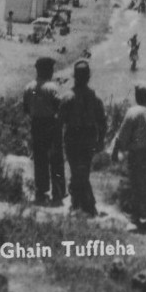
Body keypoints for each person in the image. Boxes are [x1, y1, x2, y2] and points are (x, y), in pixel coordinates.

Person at [111, 83, 146, 232]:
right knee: (144, 185)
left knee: (139, 185)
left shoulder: (134, 112)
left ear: (139, 96)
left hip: (139, 154)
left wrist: (115, 151)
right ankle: (136, 215)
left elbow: (122, 136)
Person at [60, 60, 108, 217]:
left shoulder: (67, 97)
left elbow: (60, 120)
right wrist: (100, 140)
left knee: (76, 170)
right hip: (88, 137)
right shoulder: (95, 97)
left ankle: (81, 204)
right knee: (84, 171)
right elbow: (102, 121)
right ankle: (84, 204)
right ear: (88, 77)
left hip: (73, 136)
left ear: (75, 77)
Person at [23, 57, 66, 206]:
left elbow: (26, 108)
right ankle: (58, 193)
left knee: (40, 159)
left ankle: (41, 192)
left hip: (36, 124)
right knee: (56, 159)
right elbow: (58, 107)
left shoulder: (29, 87)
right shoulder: (51, 87)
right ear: (48, 70)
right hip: (50, 124)